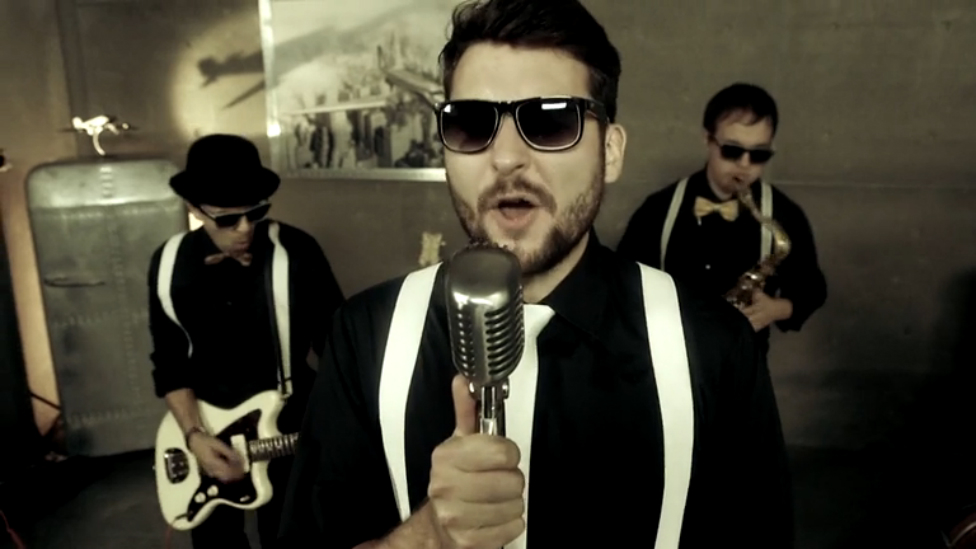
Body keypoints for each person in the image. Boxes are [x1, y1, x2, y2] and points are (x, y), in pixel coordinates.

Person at [277, 1, 792, 548]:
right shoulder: (365, 336)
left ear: (610, 151)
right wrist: (423, 539)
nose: (505, 158)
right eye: (472, 123)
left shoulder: (713, 347)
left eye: (550, 121)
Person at [147, 134, 344, 549]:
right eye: (227, 219)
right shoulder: (167, 265)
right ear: (194, 208)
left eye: (255, 213)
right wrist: (194, 436)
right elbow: (170, 363)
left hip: (291, 431)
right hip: (208, 434)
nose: (245, 229)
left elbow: (340, 351)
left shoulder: (297, 251)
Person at [616, 83, 827, 360]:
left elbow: (813, 290)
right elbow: (621, 284)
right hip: (668, 359)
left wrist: (777, 309)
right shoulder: (659, 209)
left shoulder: (784, 213)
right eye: (732, 150)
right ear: (708, 139)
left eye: (759, 154)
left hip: (745, 363)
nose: (745, 164)